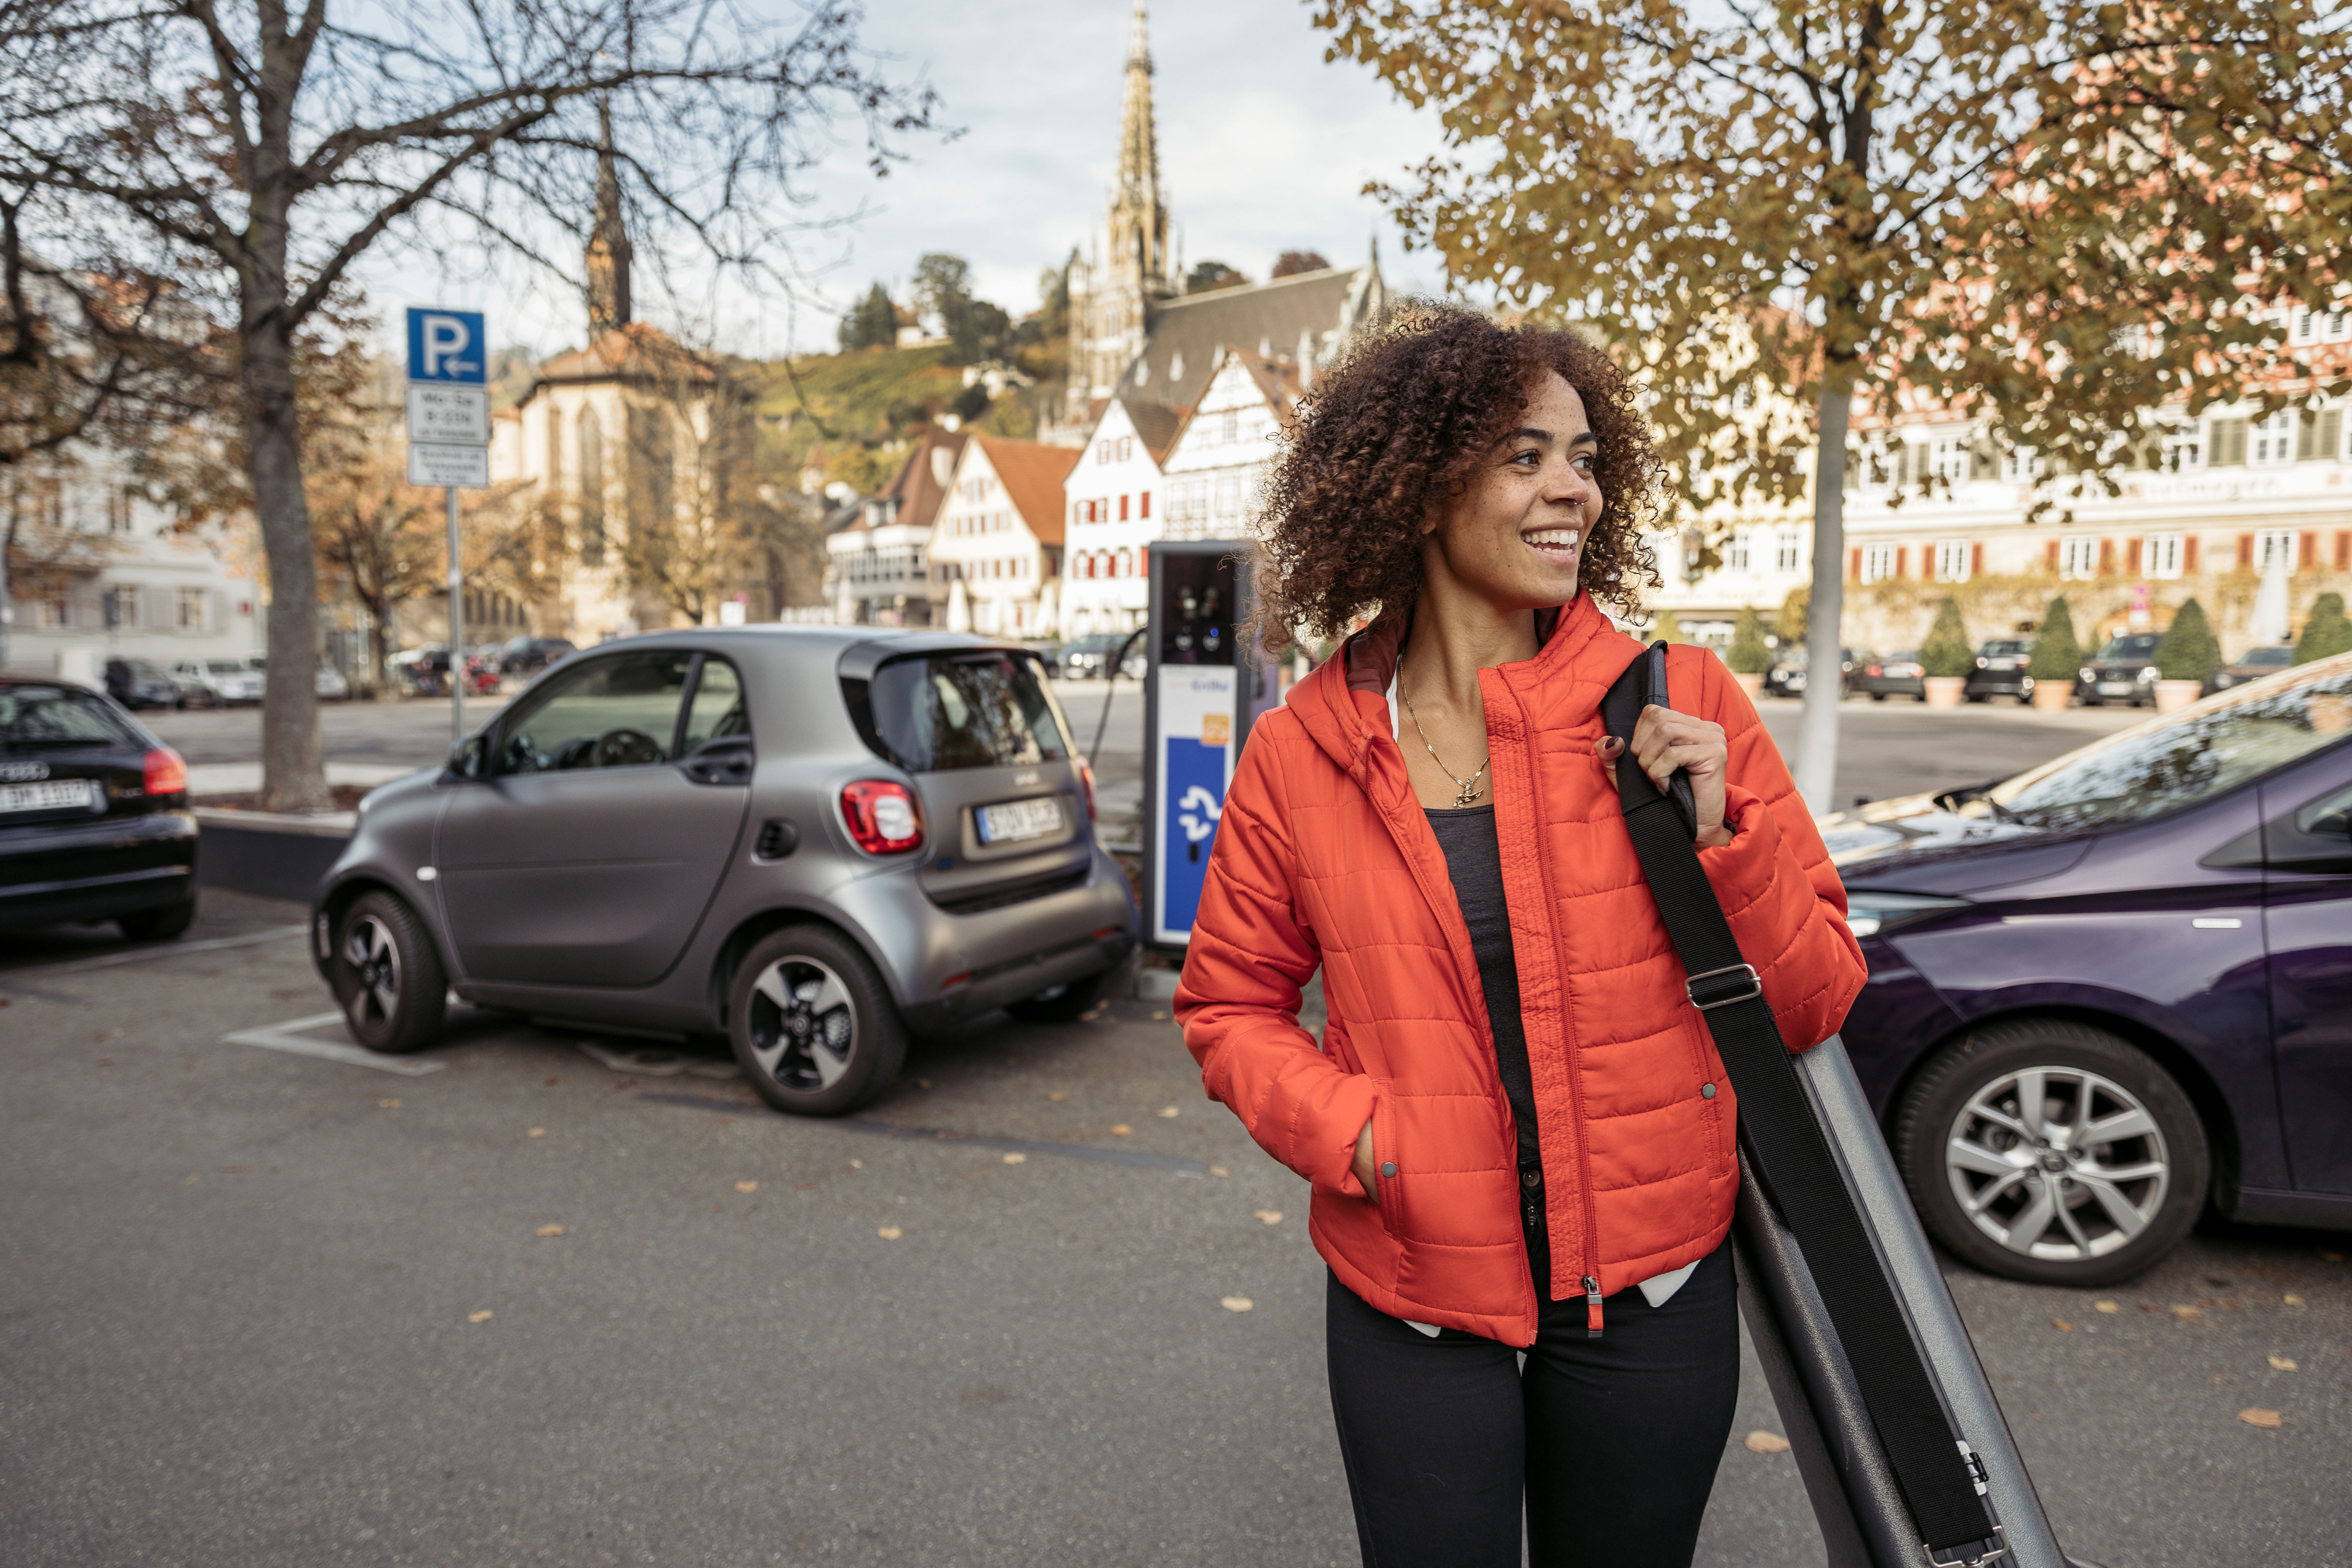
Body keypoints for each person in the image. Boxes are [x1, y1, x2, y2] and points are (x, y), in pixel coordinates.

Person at [1174, 307, 1867, 1568]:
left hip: (1650, 1297)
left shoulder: (1681, 703)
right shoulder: (1302, 752)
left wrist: (1728, 841)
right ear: (1420, 487)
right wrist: (1364, 1138)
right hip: (1414, 1297)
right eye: (1525, 455)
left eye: (1586, 455)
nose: (1575, 492)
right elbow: (1227, 1007)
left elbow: (1814, 1001)